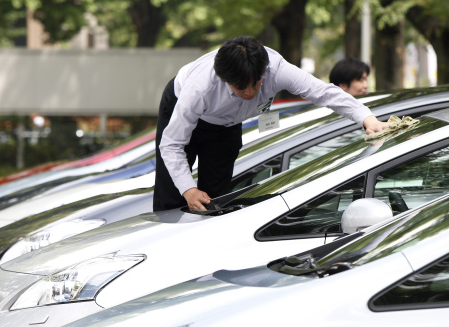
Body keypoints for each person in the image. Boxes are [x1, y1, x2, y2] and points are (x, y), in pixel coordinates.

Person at [154, 36, 386, 212]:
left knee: (215, 200)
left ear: (263, 72)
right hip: (182, 108)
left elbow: (322, 92)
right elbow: (171, 144)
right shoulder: (199, 87)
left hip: (226, 126)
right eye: (240, 87)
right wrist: (188, 189)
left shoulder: (277, 69)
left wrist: (366, 117)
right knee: (174, 196)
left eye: (255, 84)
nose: (250, 92)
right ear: (224, 79)